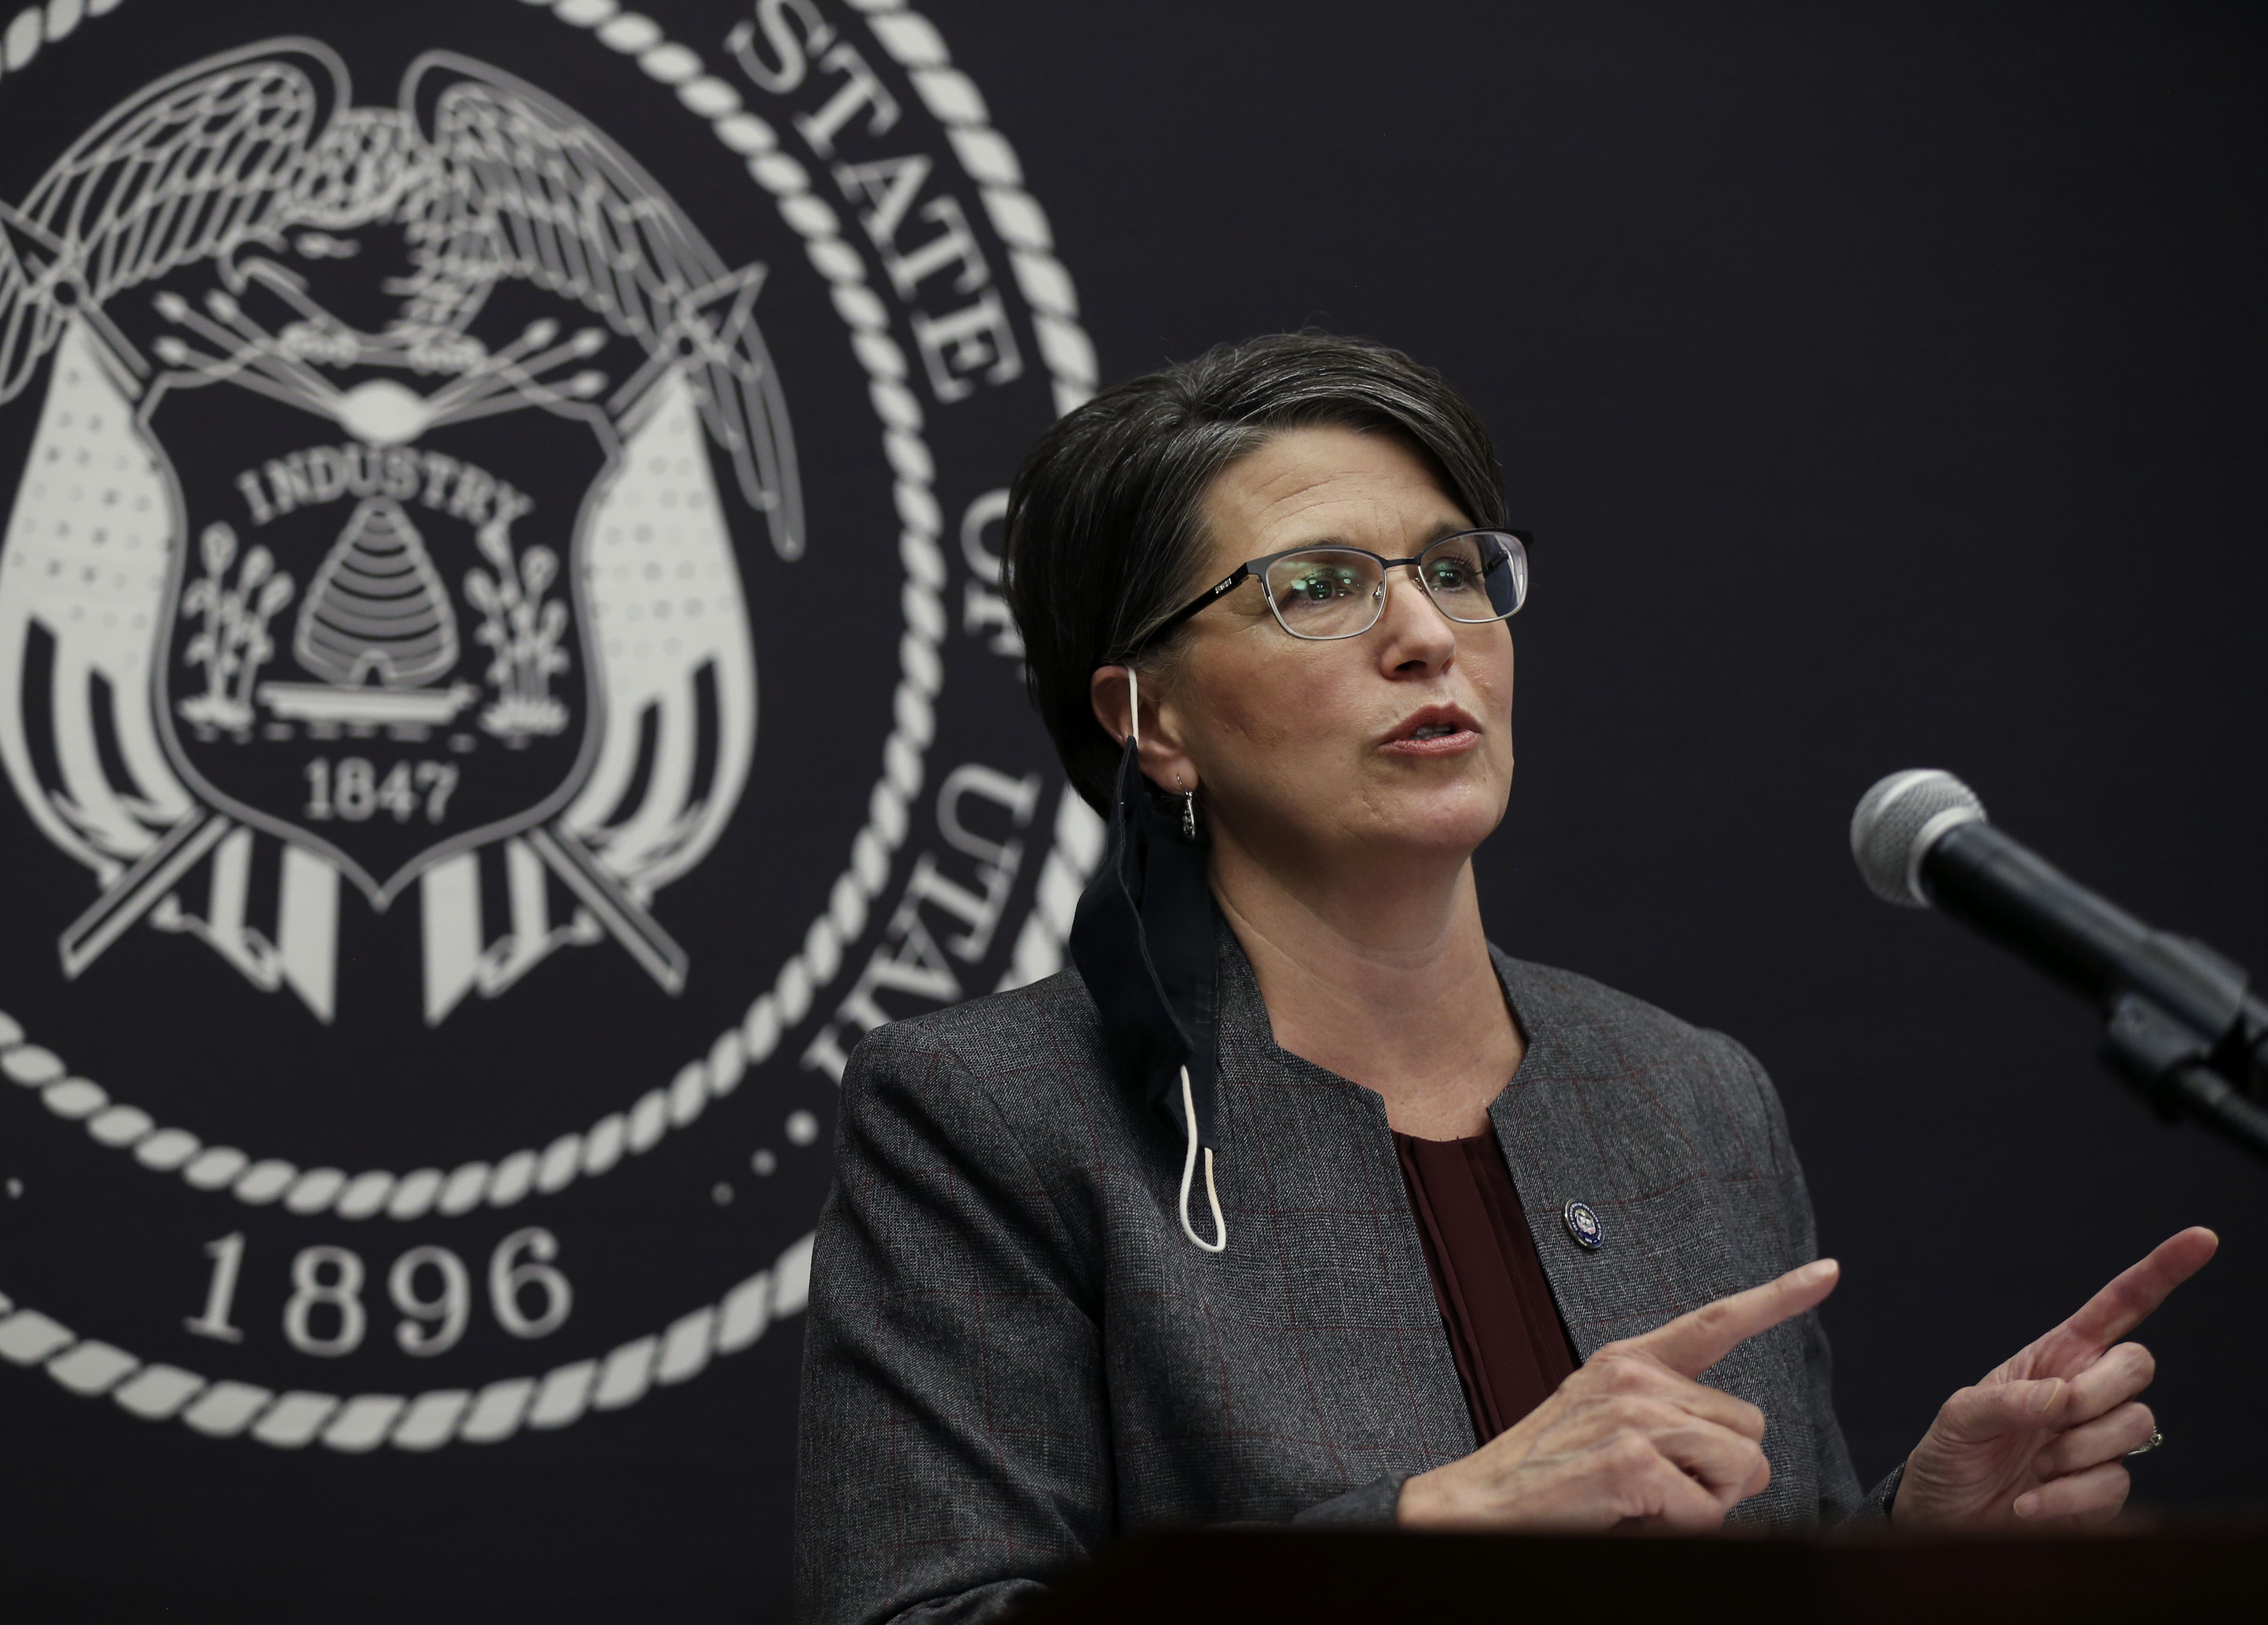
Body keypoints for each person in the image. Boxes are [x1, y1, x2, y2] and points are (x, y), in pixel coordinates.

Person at [792, 333, 2214, 1624]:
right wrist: (1433, 1525)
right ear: (1149, 720)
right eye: (1321, 587)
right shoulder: (993, 1117)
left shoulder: (1689, 1097)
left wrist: (1915, 1546)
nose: (1428, 636)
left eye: (1456, 570)